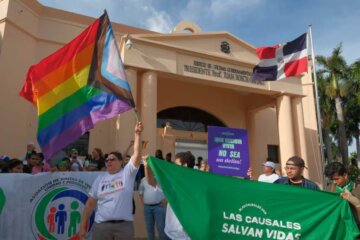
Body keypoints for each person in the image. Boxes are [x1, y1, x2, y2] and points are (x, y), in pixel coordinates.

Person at [79, 122, 143, 240]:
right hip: (101, 227)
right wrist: (83, 225)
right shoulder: (100, 179)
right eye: (107, 160)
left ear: (121, 161)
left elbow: (137, 155)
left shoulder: (127, 173)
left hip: (124, 227)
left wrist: (138, 134)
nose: (109, 162)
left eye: (112, 159)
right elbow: (90, 204)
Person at [144, 151, 195, 240]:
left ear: (185, 165)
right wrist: (146, 165)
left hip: (190, 234)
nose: (173, 165)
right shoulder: (171, 181)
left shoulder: (197, 183)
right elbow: (151, 182)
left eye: (176, 163)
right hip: (172, 233)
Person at [325, 162, 360, 226]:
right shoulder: (329, 190)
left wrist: (357, 204)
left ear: (345, 175)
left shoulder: (357, 189)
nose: (334, 182)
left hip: (356, 230)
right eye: (332, 179)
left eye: (336, 179)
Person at [139, 170, 167, 240]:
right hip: (147, 208)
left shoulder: (161, 178)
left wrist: (166, 199)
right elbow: (140, 192)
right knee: (149, 228)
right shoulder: (143, 180)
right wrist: (143, 203)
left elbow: (169, 190)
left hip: (159, 207)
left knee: (161, 228)